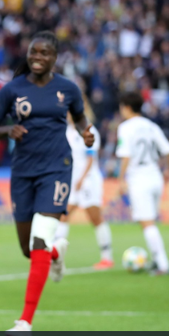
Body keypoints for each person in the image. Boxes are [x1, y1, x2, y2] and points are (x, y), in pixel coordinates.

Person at [0, 31, 94, 336]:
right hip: (23, 172)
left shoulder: (67, 89)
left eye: (45, 53)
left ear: (55, 57)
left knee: (38, 239)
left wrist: (85, 132)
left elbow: (79, 119)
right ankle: (55, 253)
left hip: (57, 169)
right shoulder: (12, 90)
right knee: (29, 249)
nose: (38, 57)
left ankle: (24, 322)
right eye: (33, 52)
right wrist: (8, 129)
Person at [116, 92, 169, 275]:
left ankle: (162, 265)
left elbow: (126, 155)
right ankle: (157, 260)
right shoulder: (151, 126)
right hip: (155, 175)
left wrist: (120, 178)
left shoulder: (125, 127)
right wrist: (167, 171)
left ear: (126, 107)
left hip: (139, 178)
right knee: (151, 221)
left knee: (147, 223)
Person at [55, 111, 113, 270]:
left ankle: (107, 257)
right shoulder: (68, 131)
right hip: (72, 181)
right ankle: (55, 255)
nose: (66, 114)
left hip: (88, 181)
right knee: (63, 216)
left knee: (95, 217)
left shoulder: (89, 130)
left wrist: (81, 178)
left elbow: (90, 158)